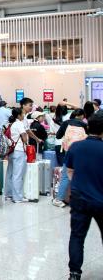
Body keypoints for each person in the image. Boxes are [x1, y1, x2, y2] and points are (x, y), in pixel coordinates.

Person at [65, 112, 103, 280]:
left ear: (88, 128)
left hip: (79, 198)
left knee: (77, 236)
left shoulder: (76, 147)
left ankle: (74, 274)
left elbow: (70, 171)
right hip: (101, 200)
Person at [53, 109, 88, 208]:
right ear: (81, 116)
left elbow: (58, 136)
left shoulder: (66, 123)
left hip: (69, 152)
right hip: (81, 153)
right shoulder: (84, 125)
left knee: (65, 176)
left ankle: (59, 199)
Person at [4, 108, 29, 203]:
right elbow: (24, 136)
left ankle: (9, 194)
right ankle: (17, 197)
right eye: (22, 114)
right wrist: (26, 142)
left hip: (12, 151)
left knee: (10, 174)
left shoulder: (12, 124)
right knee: (17, 174)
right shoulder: (19, 123)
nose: (23, 115)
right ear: (18, 115)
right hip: (19, 151)